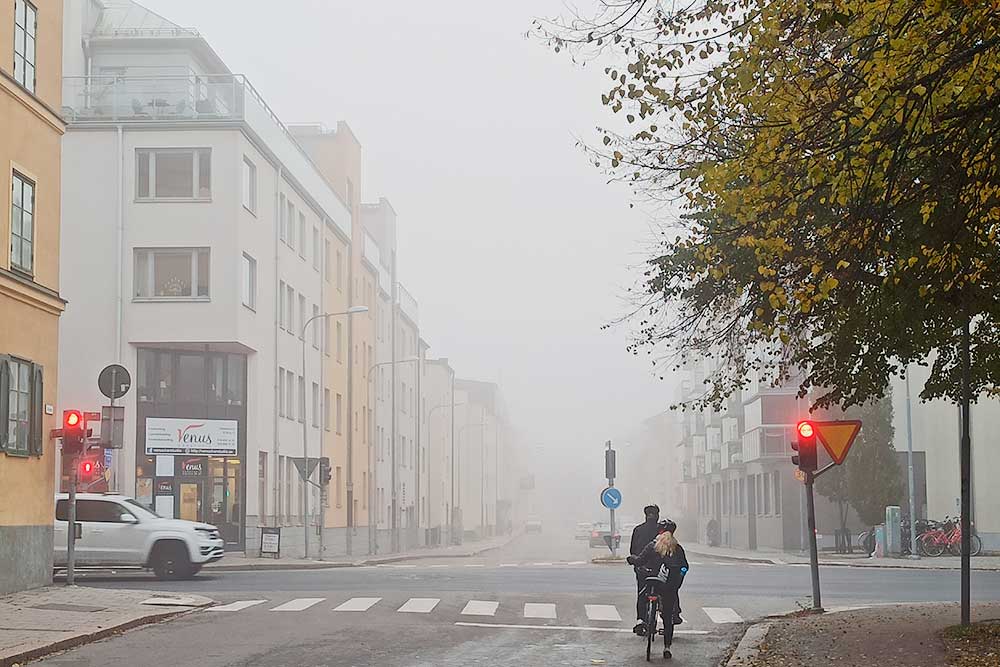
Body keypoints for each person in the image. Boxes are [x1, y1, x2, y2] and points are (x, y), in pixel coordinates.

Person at [627, 526, 690, 652]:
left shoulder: (652, 546)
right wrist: (679, 578)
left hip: (652, 581)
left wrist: (631, 559)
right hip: (668, 585)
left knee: (642, 595)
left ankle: (642, 620)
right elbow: (684, 566)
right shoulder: (677, 548)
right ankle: (667, 647)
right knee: (667, 616)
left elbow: (639, 560)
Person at [630, 505, 661, 630]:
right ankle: (671, 615)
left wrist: (636, 562)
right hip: (660, 569)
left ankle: (640, 620)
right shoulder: (662, 531)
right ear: (657, 515)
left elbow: (632, 550)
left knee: (642, 593)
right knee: (666, 593)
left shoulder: (638, 530)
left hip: (642, 568)